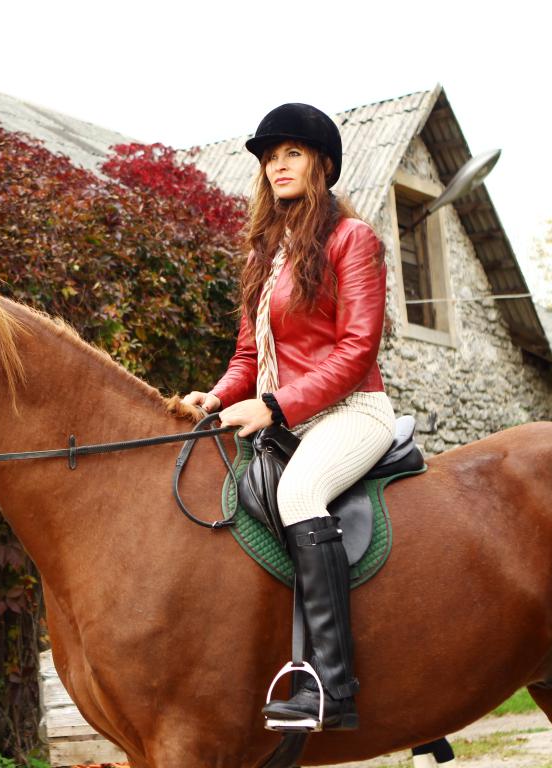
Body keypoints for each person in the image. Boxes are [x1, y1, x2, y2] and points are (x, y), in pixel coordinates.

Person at [183, 103, 395, 732]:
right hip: (287, 421)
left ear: (321, 164)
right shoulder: (264, 256)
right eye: (270, 157)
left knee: (301, 491)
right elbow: (250, 355)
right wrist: (216, 397)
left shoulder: (353, 240)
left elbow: (358, 351)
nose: (278, 165)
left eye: (292, 154)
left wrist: (274, 404)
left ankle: (333, 684)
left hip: (352, 411)